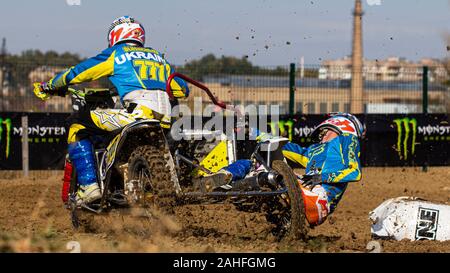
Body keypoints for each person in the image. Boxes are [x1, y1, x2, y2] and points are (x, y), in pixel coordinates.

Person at [33, 16, 189, 205]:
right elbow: (183, 89)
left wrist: (48, 86)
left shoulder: (117, 54)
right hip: (164, 121)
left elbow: (78, 72)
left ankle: (89, 187)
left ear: (115, 35)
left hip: (134, 116)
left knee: (77, 123)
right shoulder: (159, 58)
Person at [200, 113, 365, 227]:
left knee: (271, 176)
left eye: (324, 132)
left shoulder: (347, 139)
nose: (321, 136)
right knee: (254, 165)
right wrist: (253, 132)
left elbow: (354, 171)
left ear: (339, 126)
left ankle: (247, 182)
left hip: (319, 198)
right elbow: (286, 146)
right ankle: (226, 179)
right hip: (305, 194)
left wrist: (320, 177)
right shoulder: (314, 151)